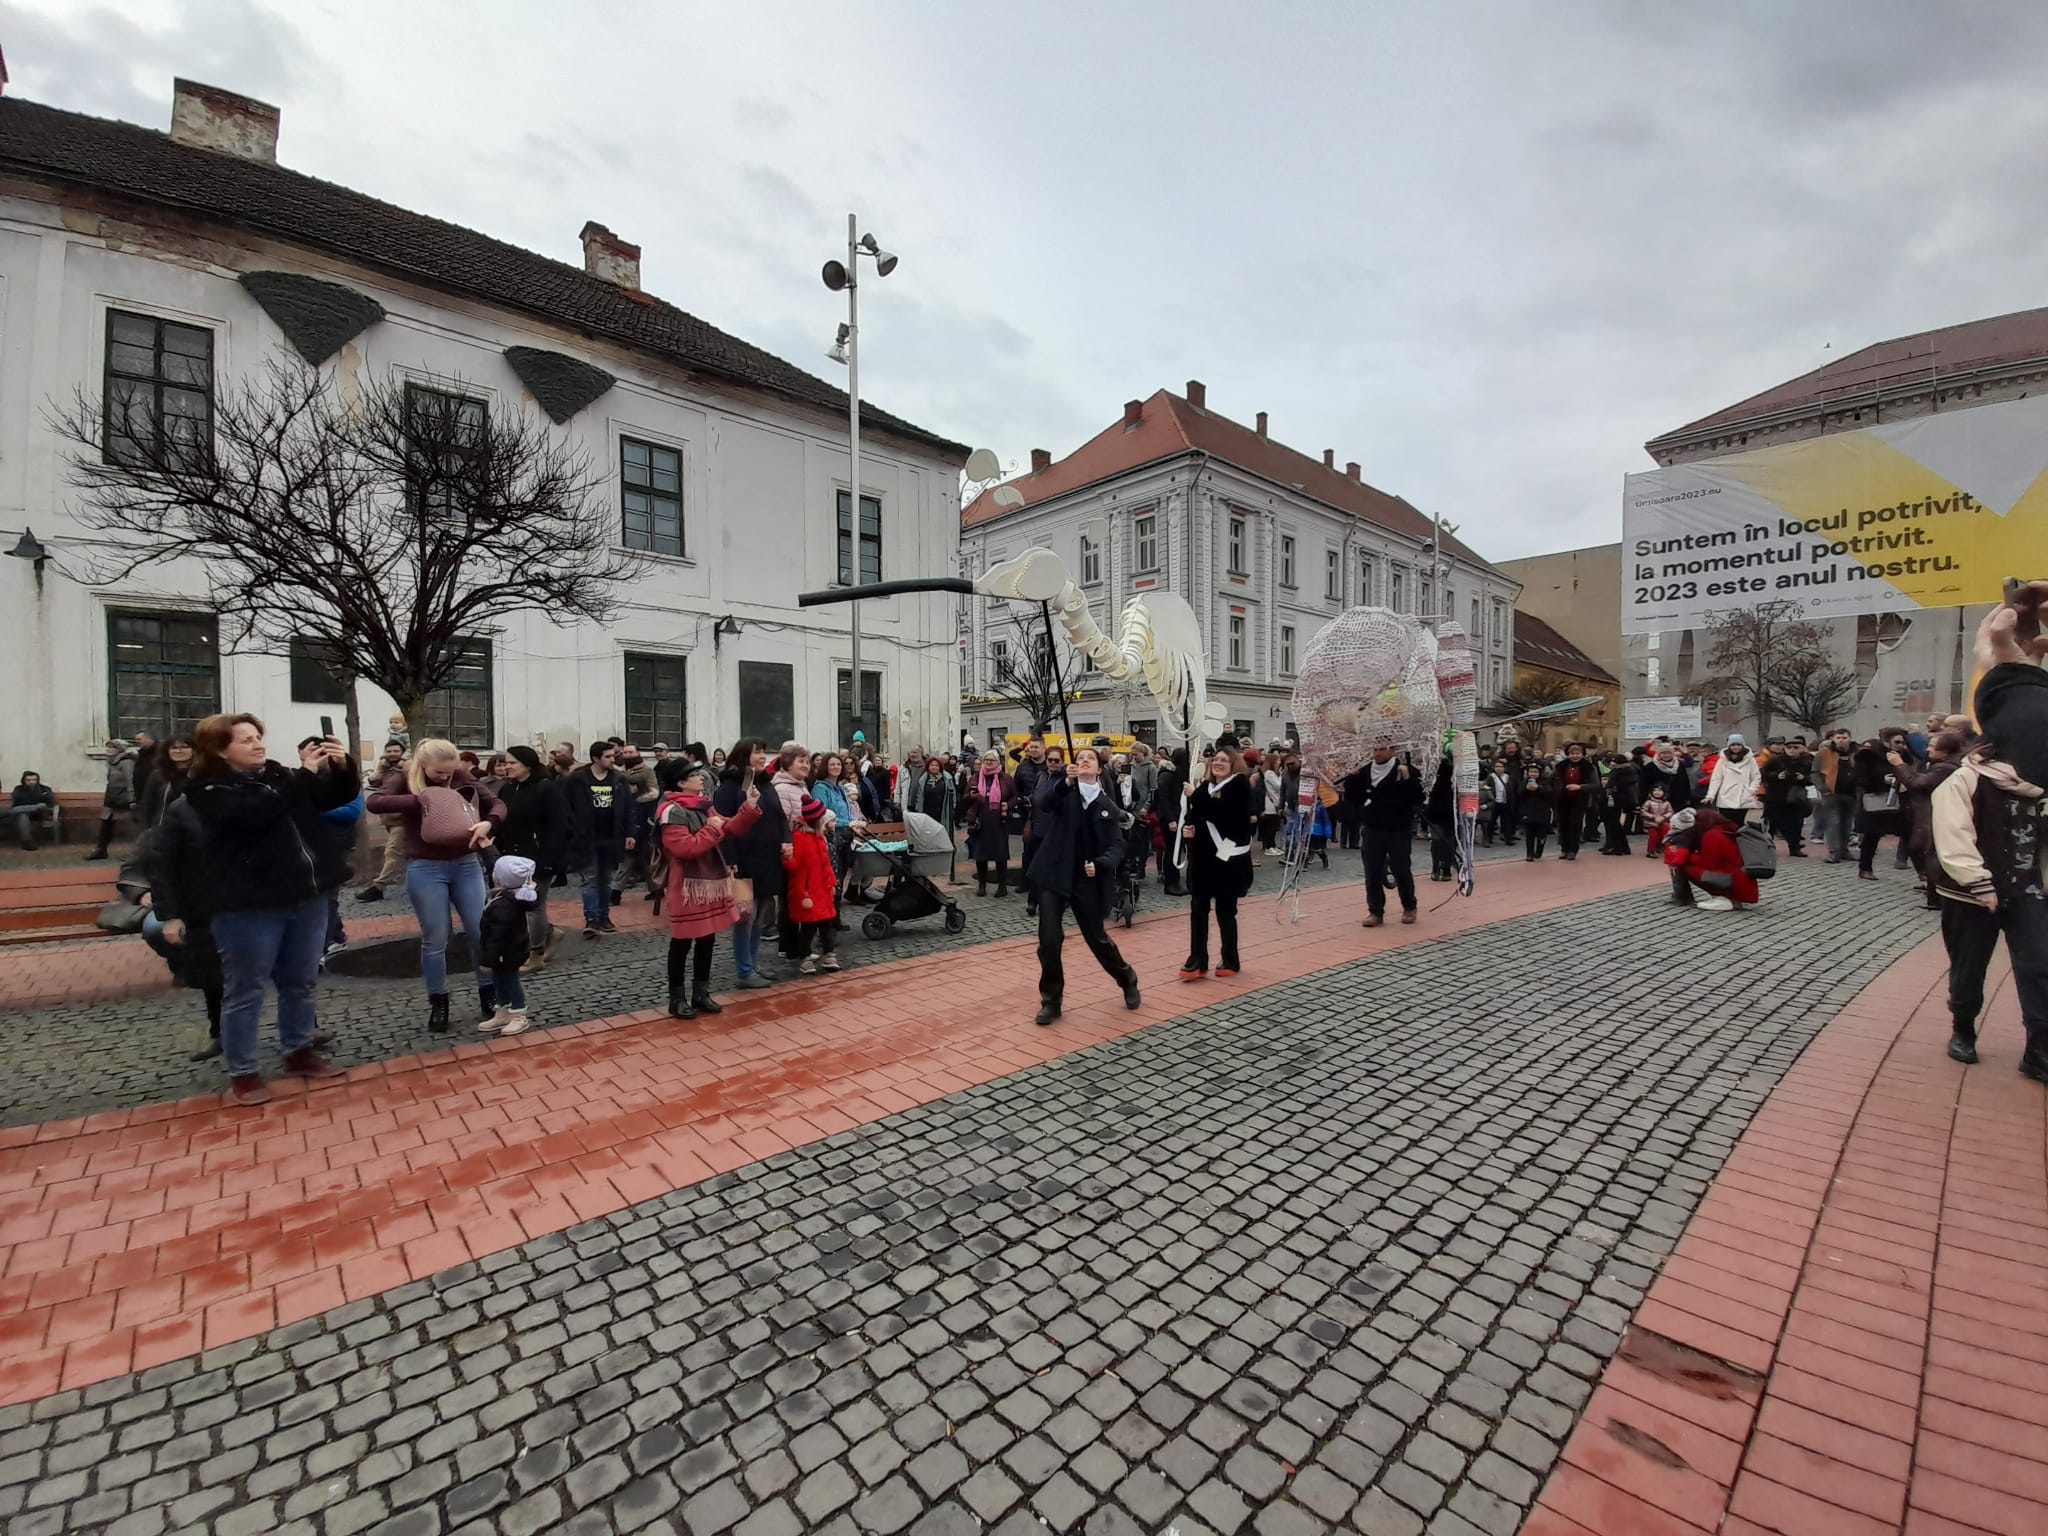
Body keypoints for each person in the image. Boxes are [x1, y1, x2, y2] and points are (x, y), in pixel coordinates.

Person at [163, 714, 357, 1105]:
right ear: (220, 750)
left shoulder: (279, 776)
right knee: (245, 989)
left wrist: (341, 767)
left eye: (257, 737)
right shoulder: (207, 790)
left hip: (306, 895)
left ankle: (298, 1051)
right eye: (245, 740)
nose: (257, 744)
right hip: (249, 905)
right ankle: (244, 1071)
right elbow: (256, 814)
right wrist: (302, 776)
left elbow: (331, 797)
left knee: (300, 980)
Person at [367, 738, 505, 1032]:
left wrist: (489, 822)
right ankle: (438, 1001)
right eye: (438, 773)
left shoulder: (460, 775)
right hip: (426, 866)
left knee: (480, 930)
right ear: (423, 765)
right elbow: (375, 801)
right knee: (435, 937)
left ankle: (488, 993)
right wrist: (423, 798)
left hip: (466, 863)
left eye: (449, 772)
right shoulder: (405, 778)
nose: (445, 778)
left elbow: (497, 803)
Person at [1027, 747, 1141, 1024]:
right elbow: (1044, 804)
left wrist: (1100, 864)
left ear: (1100, 769)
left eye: (1090, 758)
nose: (1084, 761)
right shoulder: (1065, 792)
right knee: (1049, 940)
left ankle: (1126, 977)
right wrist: (1065, 783)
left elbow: (1117, 846)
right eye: (1079, 759)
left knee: (1096, 939)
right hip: (1054, 872)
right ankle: (1051, 1001)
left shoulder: (1106, 805)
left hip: (1085, 878)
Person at [655, 759, 760, 1017]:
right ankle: (677, 999)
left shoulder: (703, 806)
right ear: (681, 782)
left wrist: (749, 807)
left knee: (707, 939)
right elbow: (684, 848)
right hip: (686, 886)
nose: (701, 777)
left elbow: (729, 827)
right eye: (694, 774)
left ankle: (701, 993)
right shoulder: (672, 810)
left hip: (709, 884)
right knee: (682, 942)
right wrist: (712, 831)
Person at [715, 740, 788, 988]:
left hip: (768, 858)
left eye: (763, 751)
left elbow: (780, 817)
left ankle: (754, 964)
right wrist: (730, 858)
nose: (762, 756)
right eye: (757, 752)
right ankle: (744, 971)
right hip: (744, 860)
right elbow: (723, 825)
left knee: (759, 917)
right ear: (743, 755)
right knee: (746, 916)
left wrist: (786, 840)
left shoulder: (766, 783)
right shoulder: (729, 787)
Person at [1179, 745, 1253, 980]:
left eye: (1224, 760)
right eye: (1215, 760)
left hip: (1227, 861)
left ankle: (1230, 959)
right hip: (1202, 860)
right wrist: (1189, 828)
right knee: (1198, 910)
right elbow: (1196, 815)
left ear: (1233, 764)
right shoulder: (1205, 787)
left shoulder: (1239, 785)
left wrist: (1196, 795)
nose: (1218, 763)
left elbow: (1224, 815)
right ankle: (1197, 959)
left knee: (1225, 912)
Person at [494, 745, 566, 971]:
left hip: (538, 857)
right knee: (516, 904)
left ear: (528, 765)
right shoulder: (507, 789)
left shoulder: (546, 788)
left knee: (533, 905)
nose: (506, 767)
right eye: (505, 762)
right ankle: (551, 933)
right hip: (512, 857)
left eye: (512, 762)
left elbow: (559, 827)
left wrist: (549, 860)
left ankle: (535, 955)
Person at [1347, 744, 1422, 926]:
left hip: (1398, 828)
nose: (1378, 753)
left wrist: (1407, 779)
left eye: (1382, 749)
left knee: (1400, 868)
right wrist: (1352, 780)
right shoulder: (1365, 771)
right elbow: (1353, 799)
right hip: (1372, 827)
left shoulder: (1404, 769)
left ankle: (1409, 906)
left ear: (1392, 750)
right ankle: (1375, 911)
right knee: (1372, 871)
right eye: (1375, 749)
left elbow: (1417, 798)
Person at [565, 741, 630, 937]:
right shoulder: (577, 779)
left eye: (613, 756)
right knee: (590, 879)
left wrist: (630, 833)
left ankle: (604, 916)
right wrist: (572, 831)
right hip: (586, 838)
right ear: (595, 758)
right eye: (608, 756)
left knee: (606, 879)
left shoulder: (619, 779)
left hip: (611, 837)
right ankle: (591, 918)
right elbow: (567, 806)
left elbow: (628, 808)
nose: (613, 760)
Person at [1898, 731, 1963, 908]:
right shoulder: (1939, 764)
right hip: (1932, 814)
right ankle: (1934, 894)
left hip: (1939, 815)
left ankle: (1938, 897)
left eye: (1932, 746)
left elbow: (1919, 783)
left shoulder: (1946, 768)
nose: (1928, 749)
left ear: (1946, 750)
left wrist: (1900, 765)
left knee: (1934, 854)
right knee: (1928, 852)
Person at [476, 855, 537, 1036]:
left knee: (510, 982)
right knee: (499, 981)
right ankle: (502, 1012)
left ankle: (518, 1014)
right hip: (507, 952)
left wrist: (487, 960)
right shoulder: (511, 897)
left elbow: (496, 936)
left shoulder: (503, 905)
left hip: (507, 953)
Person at [785, 796, 842, 974]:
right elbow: (794, 865)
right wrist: (786, 857)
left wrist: (832, 882)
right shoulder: (800, 837)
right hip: (808, 890)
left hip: (822, 889)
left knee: (826, 924)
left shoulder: (819, 836)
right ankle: (805, 957)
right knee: (808, 927)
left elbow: (826, 864)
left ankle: (829, 954)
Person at [1669, 806, 1760, 911]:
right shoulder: (1721, 830)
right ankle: (1728, 898)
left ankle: (1725, 897)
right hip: (1739, 879)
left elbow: (1709, 863)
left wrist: (1685, 855)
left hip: (1735, 882)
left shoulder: (1712, 835)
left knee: (1685, 867)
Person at [1852, 740, 1905, 880]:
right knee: (1871, 836)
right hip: (1873, 801)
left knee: (1907, 834)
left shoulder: (1892, 757)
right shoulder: (1863, 759)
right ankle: (1865, 868)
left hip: (1892, 799)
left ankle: (1921, 870)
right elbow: (1859, 779)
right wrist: (1881, 779)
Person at [964, 751, 1014, 897]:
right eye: (986, 760)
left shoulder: (1006, 778)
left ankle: (1002, 886)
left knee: (1000, 854)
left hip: (999, 821)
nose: (989, 762)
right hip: (980, 821)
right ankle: (982, 885)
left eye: (992, 760)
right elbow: (964, 799)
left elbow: (1014, 796)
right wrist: (971, 796)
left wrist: (1008, 805)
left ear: (998, 762)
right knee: (981, 855)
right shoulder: (974, 778)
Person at [84, 737, 141, 860]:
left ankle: (137, 852)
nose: (109, 749)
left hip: (124, 799)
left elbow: (130, 780)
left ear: (119, 749)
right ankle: (101, 849)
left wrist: (132, 799)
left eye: (113, 747)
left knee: (131, 825)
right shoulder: (112, 762)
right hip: (112, 799)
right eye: (108, 747)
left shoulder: (126, 762)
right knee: (106, 824)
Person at [1760, 736, 1814, 856]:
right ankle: (1766, 847)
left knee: (1795, 824)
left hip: (1795, 798)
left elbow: (1814, 777)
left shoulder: (1808, 760)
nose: (1792, 750)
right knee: (1773, 822)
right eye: (1789, 747)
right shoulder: (1776, 760)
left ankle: (1794, 848)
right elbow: (1763, 774)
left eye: (1796, 747)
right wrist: (1776, 776)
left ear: (1802, 748)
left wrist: (1803, 778)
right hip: (1776, 796)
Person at [1813, 727, 1859, 863]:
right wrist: (1823, 789)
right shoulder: (1824, 753)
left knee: (1847, 823)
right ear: (1833, 739)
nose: (1841, 740)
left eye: (1844, 738)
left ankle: (1844, 850)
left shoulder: (1857, 753)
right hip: (1831, 793)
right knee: (1833, 823)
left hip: (1852, 793)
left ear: (1850, 738)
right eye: (1838, 738)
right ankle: (1834, 851)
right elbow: (1815, 773)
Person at [136, 735, 196, 830]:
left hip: (194, 830)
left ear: (194, 750)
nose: (178, 751)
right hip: (163, 829)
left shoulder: (201, 775)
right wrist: (146, 830)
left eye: (184, 747)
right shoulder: (158, 775)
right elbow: (147, 806)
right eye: (174, 748)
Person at [1551, 742, 1601, 858]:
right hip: (1562, 799)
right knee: (1563, 825)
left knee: (1575, 824)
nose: (1575, 756)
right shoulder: (1561, 766)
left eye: (1577, 753)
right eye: (1572, 754)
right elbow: (1551, 779)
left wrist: (1580, 787)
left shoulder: (1589, 767)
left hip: (1579, 800)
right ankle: (1564, 849)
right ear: (1568, 755)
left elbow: (1595, 785)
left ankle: (1573, 850)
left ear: (1582, 754)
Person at [1153, 747, 1188, 897]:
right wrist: (1170, 820)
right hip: (1171, 818)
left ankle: (1175, 881)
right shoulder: (1167, 776)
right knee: (1171, 851)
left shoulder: (1175, 775)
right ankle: (1171, 883)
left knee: (1175, 850)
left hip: (1177, 816)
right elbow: (1164, 800)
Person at [1600, 752, 1638, 855]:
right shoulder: (1625, 771)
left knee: (1614, 824)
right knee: (1613, 824)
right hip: (1616, 800)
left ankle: (1616, 846)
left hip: (1617, 800)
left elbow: (1612, 785)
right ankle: (1620, 846)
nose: (1611, 764)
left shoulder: (1620, 772)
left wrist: (1609, 792)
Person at [10, 771, 57, 851]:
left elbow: (49, 802)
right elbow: (17, 801)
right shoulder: (18, 789)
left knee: (19, 811)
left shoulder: (44, 789)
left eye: (34, 780)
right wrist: (36, 805)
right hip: (22, 814)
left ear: (37, 780)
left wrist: (30, 803)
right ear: (24, 780)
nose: (31, 782)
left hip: (38, 814)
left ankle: (10, 812)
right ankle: (27, 842)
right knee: (23, 815)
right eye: (28, 780)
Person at [1518, 765, 1556, 861]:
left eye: (1535, 772)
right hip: (1528, 811)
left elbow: (1550, 794)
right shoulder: (1523, 782)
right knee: (1529, 834)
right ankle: (1529, 853)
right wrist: (1526, 789)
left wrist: (1538, 788)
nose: (1533, 774)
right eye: (1531, 772)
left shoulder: (1545, 782)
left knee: (1541, 834)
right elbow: (1518, 795)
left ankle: (1539, 850)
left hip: (1542, 812)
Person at [1640, 784, 1674, 856]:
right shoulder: (1648, 802)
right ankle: (1651, 851)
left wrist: (1664, 817)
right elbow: (1643, 811)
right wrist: (1653, 817)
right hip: (1651, 823)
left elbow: (1670, 812)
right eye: (1654, 790)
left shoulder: (1666, 803)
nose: (1657, 792)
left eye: (1659, 790)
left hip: (1663, 822)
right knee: (1654, 837)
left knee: (1664, 835)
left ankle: (1660, 846)